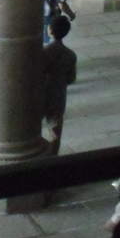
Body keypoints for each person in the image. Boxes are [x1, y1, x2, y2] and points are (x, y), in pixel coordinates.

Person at [42, 15, 77, 156]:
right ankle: (52, 157)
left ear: (49, 30)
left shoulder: (42, 52)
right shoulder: (70, 54)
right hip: (57, 96)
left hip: (39, 95)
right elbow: (71, 79)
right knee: (55, 130)